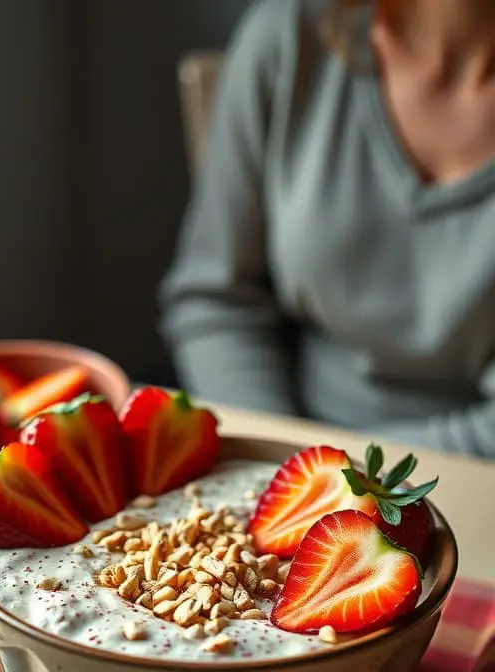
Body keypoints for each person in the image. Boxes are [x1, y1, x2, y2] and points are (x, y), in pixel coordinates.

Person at [159, 0, 495, 457]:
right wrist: (283, 463)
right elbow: (218, 301)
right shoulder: (289, 37)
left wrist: (338, 474)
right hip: (287, 452)